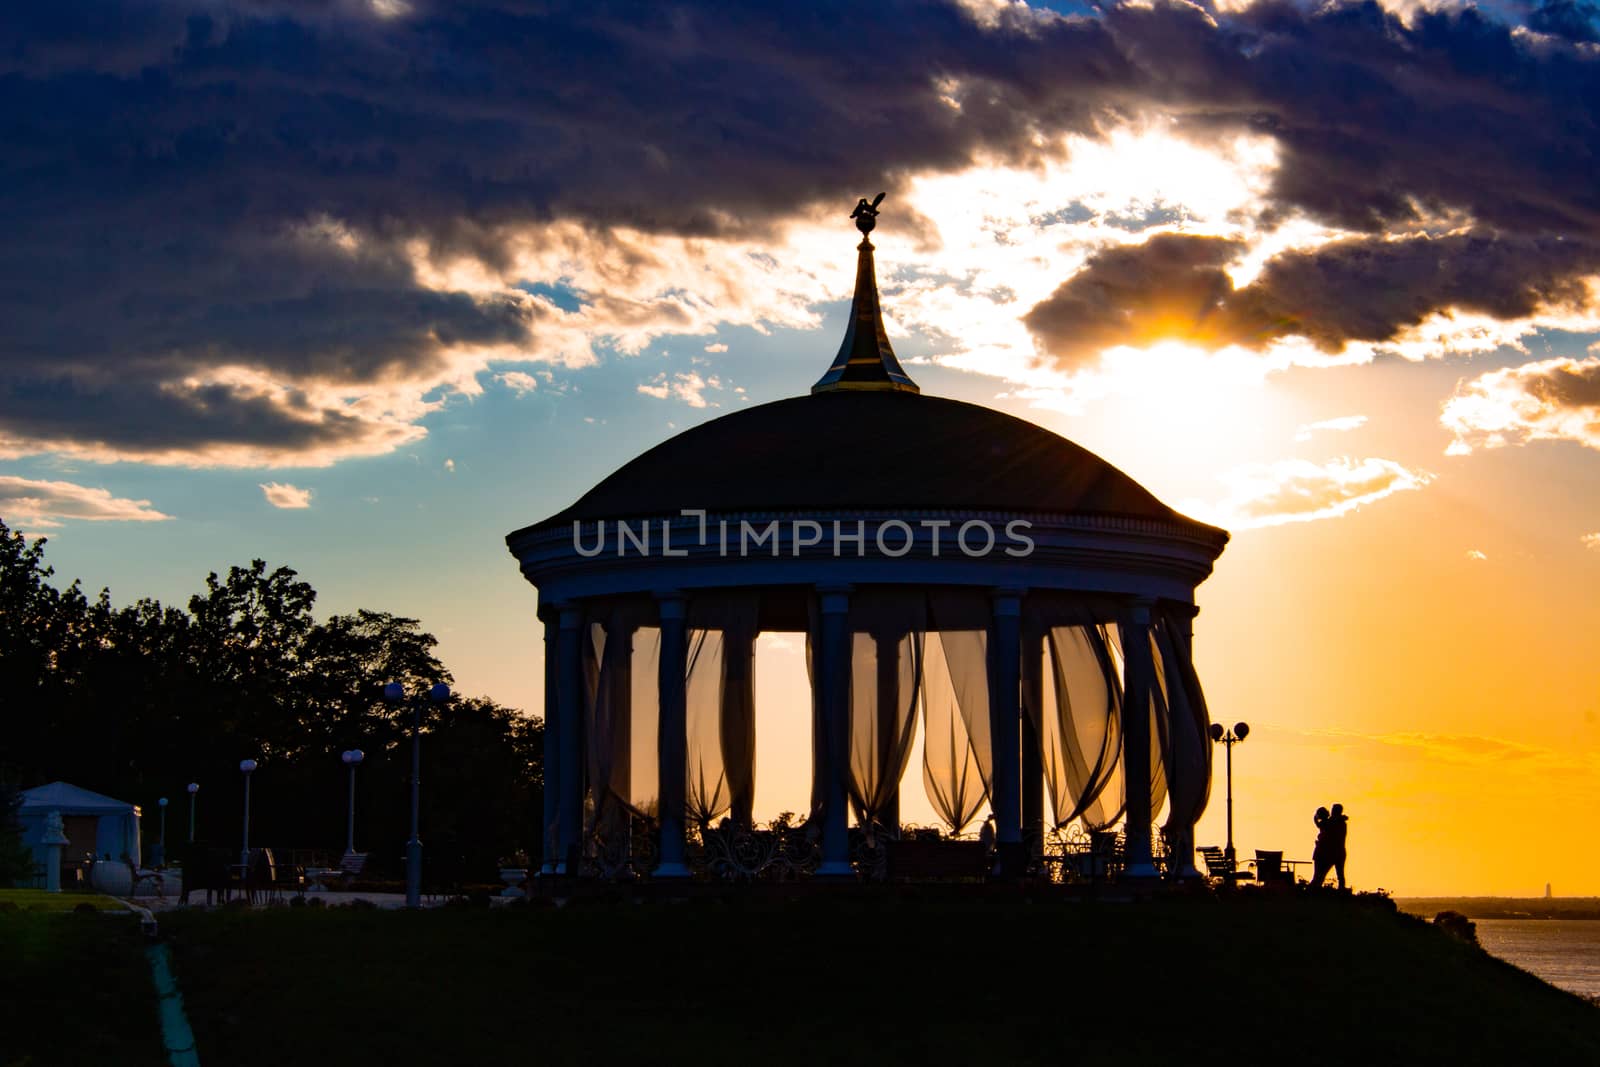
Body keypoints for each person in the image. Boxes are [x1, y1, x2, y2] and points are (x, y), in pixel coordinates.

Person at [1325, 803, 1349, 889]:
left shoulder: (1335, 822)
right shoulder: (1340, 822)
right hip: (1339, 851)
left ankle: (1341, 890)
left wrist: (1315, 819)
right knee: (1340, 873)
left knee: (1323, 873)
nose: (1331, 811)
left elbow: (1324, 826)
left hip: (1334, 851)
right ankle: (1341, 889)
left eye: (1333, 809)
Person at [1310, 807, 1332, 887]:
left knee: (1317, 874)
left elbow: (1316, 822)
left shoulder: (1324, 823)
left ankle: (1313, 889)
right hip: (1323, 852)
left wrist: (1315, 817)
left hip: (1320, 852)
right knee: (1319, 875)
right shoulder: (1328, 822)